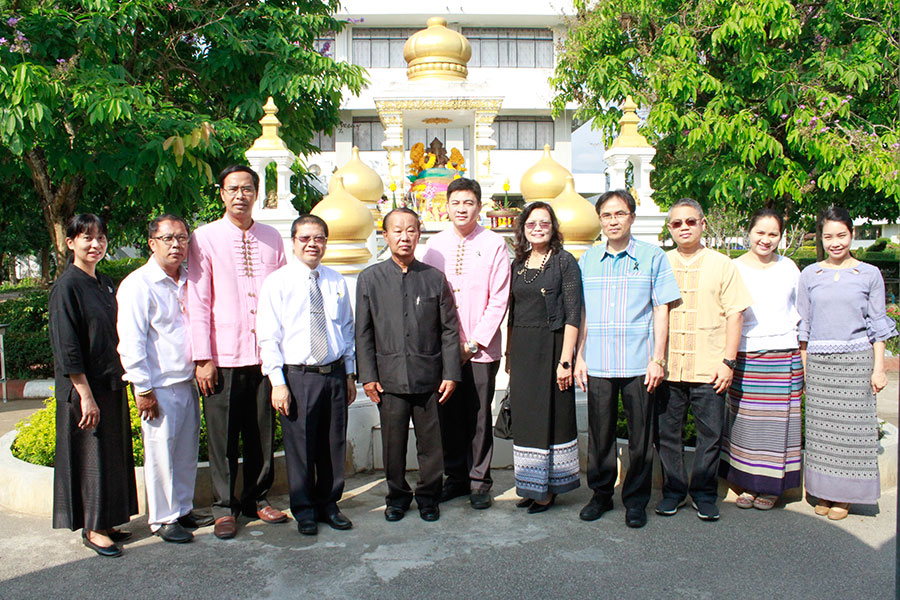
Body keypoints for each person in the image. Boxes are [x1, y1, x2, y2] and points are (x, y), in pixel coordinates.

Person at [187, 164, 288, 539]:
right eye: (233, 189)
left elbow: (279, 297)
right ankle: (224, 507)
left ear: (257, 193)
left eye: (247, 188)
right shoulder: (205, 238)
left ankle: (257, 499)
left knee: (261, 432)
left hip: (263, 355)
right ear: (222, 194)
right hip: (223, 355)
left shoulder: (272, 237)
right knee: (223, 436)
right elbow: (197, 300)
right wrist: (203, 357)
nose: (240, 195)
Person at [574, 190, 681, 528]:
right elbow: (584, 313)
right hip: (600, 361)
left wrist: (658, 359)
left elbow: (662, 308)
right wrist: (579, 356)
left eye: (619, 214)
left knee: (640, 437)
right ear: (600, 220)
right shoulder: (588, 260)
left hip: (639, 362)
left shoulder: (653, 257)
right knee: (600, 435)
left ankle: (635, 500)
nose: (613, 221)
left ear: (632, 217)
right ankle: (601, 494)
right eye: (606, 215)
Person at [356, 208, 460, 523]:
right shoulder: (370, 279)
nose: (405, 237)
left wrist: (451, 373)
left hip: (429, 377)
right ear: (384, 235)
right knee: (393, 443)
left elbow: (449, 330)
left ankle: (429, 497)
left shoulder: (433, 278)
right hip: (388, 379)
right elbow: (363, 332)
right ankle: (397, 497)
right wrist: (368, 377)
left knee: (431, 445)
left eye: (411, 230)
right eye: (397, 231)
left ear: (419, 234)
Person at [257, 215, 357, 537]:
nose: (313, 244)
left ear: (326, 243)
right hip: (298, 376)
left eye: (319, 239)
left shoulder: (336, 281)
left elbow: (347, 330)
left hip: (334, 373)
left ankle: (329, 504)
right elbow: (268, 336)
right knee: (300, 446)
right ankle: (305, 509)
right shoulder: (278, 282)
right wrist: (277, 382)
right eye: (305, 239)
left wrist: (350, 374)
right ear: (294, 242)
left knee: (332, 443)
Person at [116, 214, 213, 544]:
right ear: (152, 243)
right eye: (168, 238)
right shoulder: (138, 285)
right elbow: (131, 341)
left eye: (182, 238)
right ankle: (163, 518)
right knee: (160, 454)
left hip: (187, 380)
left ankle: (183, 508)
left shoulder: (190, 279)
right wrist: (142, 387)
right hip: (157, 385)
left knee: (185, 451)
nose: (176, 245)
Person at [798, 206, 897, 520]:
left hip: (855, 362)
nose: (835, 242)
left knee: (853, 435)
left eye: (841, 235)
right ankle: (824, 493)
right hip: (819, 364)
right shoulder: (809, 274)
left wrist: (878, 368)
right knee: (822, 435)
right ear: (821, 238)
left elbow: (878, 324)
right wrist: (803, 367)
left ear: (852, 235)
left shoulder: (869, 274)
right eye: (828, 236)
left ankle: (846, 497)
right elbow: (804, 325)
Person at [656, 198, 752, 521]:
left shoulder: (723, 265)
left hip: (709, 367)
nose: (684, 228)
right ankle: (673, 491)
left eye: (690, 222)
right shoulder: (661, 262)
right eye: (677, 223)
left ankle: (704, 493)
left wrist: (728, 362)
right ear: (670, 229)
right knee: (668, 435)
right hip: (669, 368)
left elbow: (735, 314)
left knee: (709, 435)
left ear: (703, 224)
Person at [50, 214, 138, 557]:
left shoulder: (105, 282)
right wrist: (85, 396)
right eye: (86, 238)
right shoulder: (66, 287)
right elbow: (67, 347)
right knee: (92, 456)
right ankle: (93, 527)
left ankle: (110, 519)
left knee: (112, 455)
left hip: (110, 382)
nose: (95, 244)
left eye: (100, 237)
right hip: (85, 388)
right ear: (71, 242)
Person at [422, 177, 511, 510]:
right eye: (456, 202)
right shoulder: (434, 246)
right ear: (446, 206)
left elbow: (499, 299)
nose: (462, 208)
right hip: (443, 348)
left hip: (481, 349)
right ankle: (455, 477)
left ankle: (479, 481)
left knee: (476, 416)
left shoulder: (493, 244)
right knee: (447, 414)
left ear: (479, 206)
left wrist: (473, 343)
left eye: (468, 202)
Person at [719, 209, 803, 510]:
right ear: (749, 232)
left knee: (777, 426)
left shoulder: (790, 267)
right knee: (745, 424)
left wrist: (802, 357)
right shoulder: (733, 267)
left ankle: (771, 488)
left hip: (783, 354)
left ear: (780, 237)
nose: (765, 240)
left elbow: (801, 313)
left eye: (773, 234)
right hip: (745, 354)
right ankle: (747, 484)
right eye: (760, 233)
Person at [506, 202, 582, 513]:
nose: (538, 228)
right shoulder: (518, 264)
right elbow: (512, 312)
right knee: (527, 418)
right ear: (523, 227)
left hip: (552, 346)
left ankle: (550, 489)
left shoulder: (564, 262)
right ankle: (529, 485)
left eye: (544, 223)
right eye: (532, 223)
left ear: (553, 228)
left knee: (552, 415)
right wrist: (509, 355)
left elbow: (574, 313)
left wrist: (566, 360)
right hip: (523, 348)